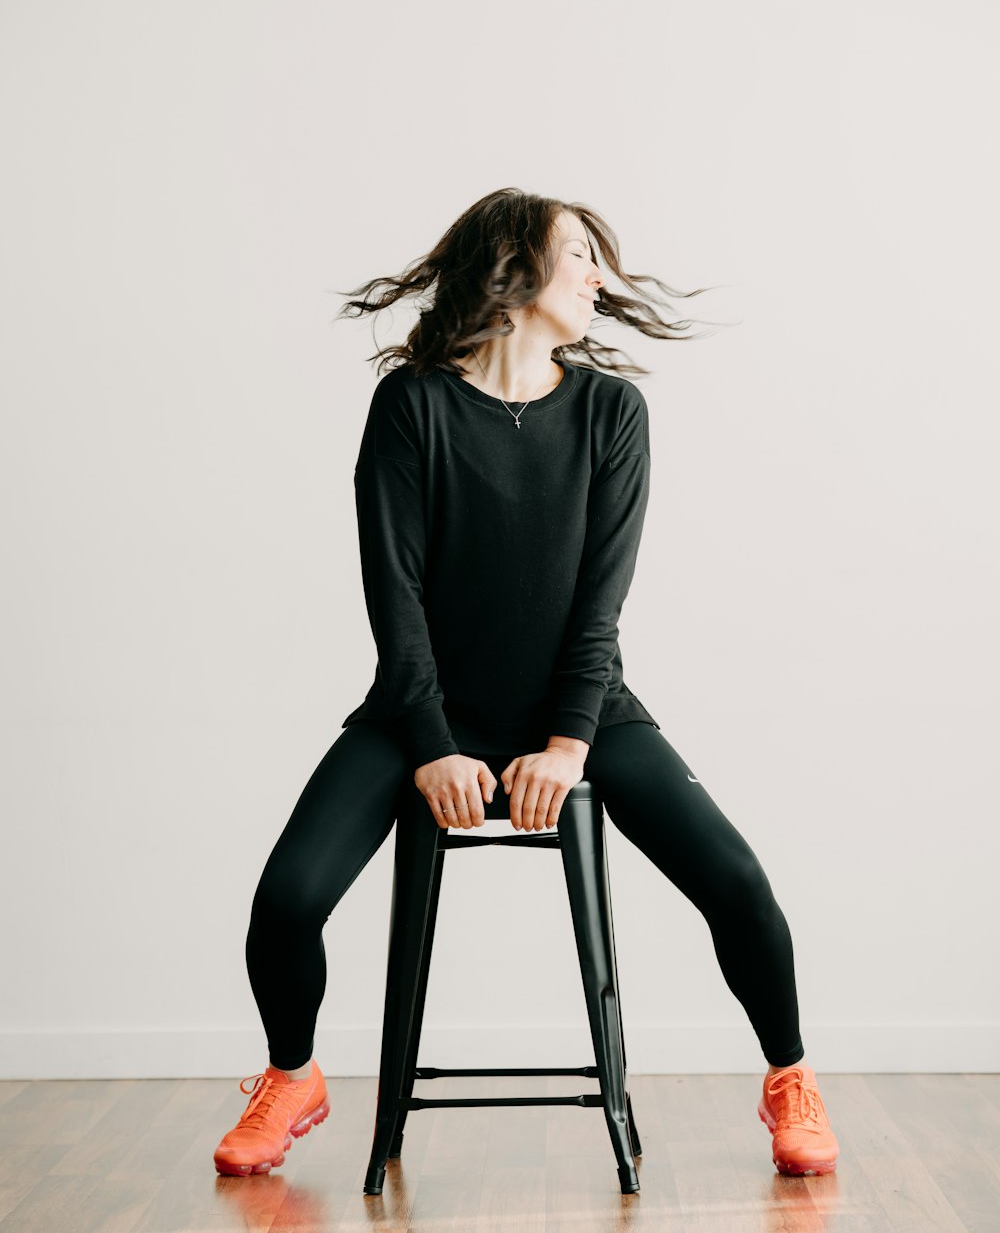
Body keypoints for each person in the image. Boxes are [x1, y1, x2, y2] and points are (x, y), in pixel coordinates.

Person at [213, 188, 839, 1181]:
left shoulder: (610, 412)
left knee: (739, 883)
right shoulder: (412, 405)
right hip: (420, 711)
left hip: (578, 713)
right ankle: (291, 1076)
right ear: (512, 268)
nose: (603, 276)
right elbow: (396, 598)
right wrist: (429, 743)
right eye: (582, 254)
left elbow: (600, 608)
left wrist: (567, 743)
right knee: (284, 901)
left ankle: (790, 1073)